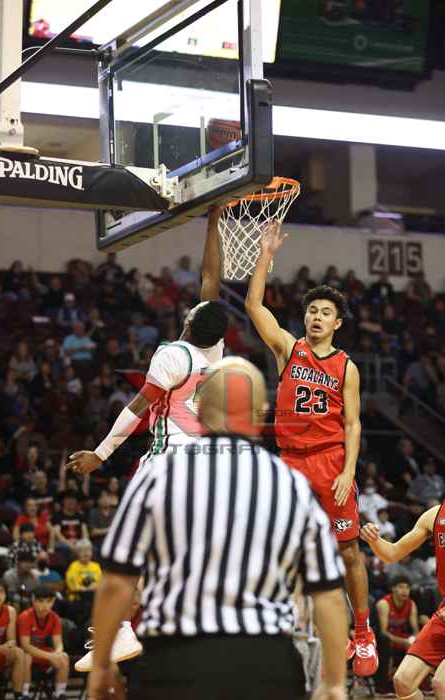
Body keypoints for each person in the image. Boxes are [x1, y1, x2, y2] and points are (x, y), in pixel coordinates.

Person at [88, 357, 348, 700]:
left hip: (174, 663)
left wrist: (102, 665)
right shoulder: (290, 485)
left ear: (199, 411)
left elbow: (116, 581)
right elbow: (328, 593)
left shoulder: (158, 476)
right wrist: (335, 682)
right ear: (261, 414)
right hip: (266, 665)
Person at [66, 208, 227, 670]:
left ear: (190, 322)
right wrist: (213, 225)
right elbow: (211, 281)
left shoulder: (172, 355)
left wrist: (100, 453)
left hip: (168, 464)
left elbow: (137, 408)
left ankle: (119, 629)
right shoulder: (216, 351)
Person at [244, 222, 377, 676]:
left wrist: (348, 471)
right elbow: (254, 305)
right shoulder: (288, 348)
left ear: (337, 323)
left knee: (349, 552)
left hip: (330, 462)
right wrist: (265, 254)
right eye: (312, 310)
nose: (317, 317)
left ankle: (363, 633)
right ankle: (278, 629)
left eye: (326, 313)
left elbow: (353, 424)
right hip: (290, 462)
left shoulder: (347, 367)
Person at [361, 502, 445, 700]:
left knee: (441, 683)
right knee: (403, 682)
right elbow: (392, 553)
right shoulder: (435, 515)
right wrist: (374, 540)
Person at [19, 587, 69, 700]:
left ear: (53, 601)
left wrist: (57, 654)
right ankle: (25, 694)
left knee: (64, 656)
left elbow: (59, 643)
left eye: (48, 601)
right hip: (27, 653)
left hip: (42, 653)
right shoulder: (25, 617)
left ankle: (60, 693)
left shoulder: (55, 617)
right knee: (26, 657)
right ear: (33, 601)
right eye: (41, 601)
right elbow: (25, 646)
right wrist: (50, 656)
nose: (45, 605)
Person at [375, 576, 419, 694]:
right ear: (393, 588)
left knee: (419, 643)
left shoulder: (411, 604)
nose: (404, 591)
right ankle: (383, 685)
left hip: (401, 636)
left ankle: (419, 682)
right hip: (385, 638)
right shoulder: (384, 603)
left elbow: (415, 630)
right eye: (400, 587)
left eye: (407, 587)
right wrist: (403, 641)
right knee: (385, 641)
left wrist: (415, 640)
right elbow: (383, 631)